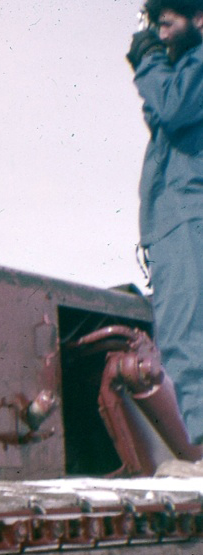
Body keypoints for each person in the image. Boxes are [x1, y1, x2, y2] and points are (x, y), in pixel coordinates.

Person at [128, 1, 203, 457]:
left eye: (168, 20)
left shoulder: (194, 68)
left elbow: (171, 106)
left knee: (185, 338)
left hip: (187, 214)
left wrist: (149, 60)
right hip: (179, 215)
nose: (160, 29)